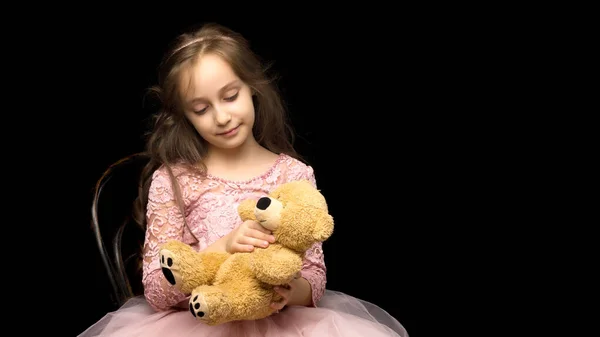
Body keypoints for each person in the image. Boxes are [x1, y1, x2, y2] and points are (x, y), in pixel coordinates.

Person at [79, 22, 408, 337]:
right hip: (198, 323)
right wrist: (222, 247)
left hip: (284, 323)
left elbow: (315, 276)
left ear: (252, 87)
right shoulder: (173, 179)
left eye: (230, 96)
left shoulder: (292, 174)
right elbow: (155, 289)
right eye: (201, 108)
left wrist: (290, 291)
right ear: (185, 115)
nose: (221, 117)